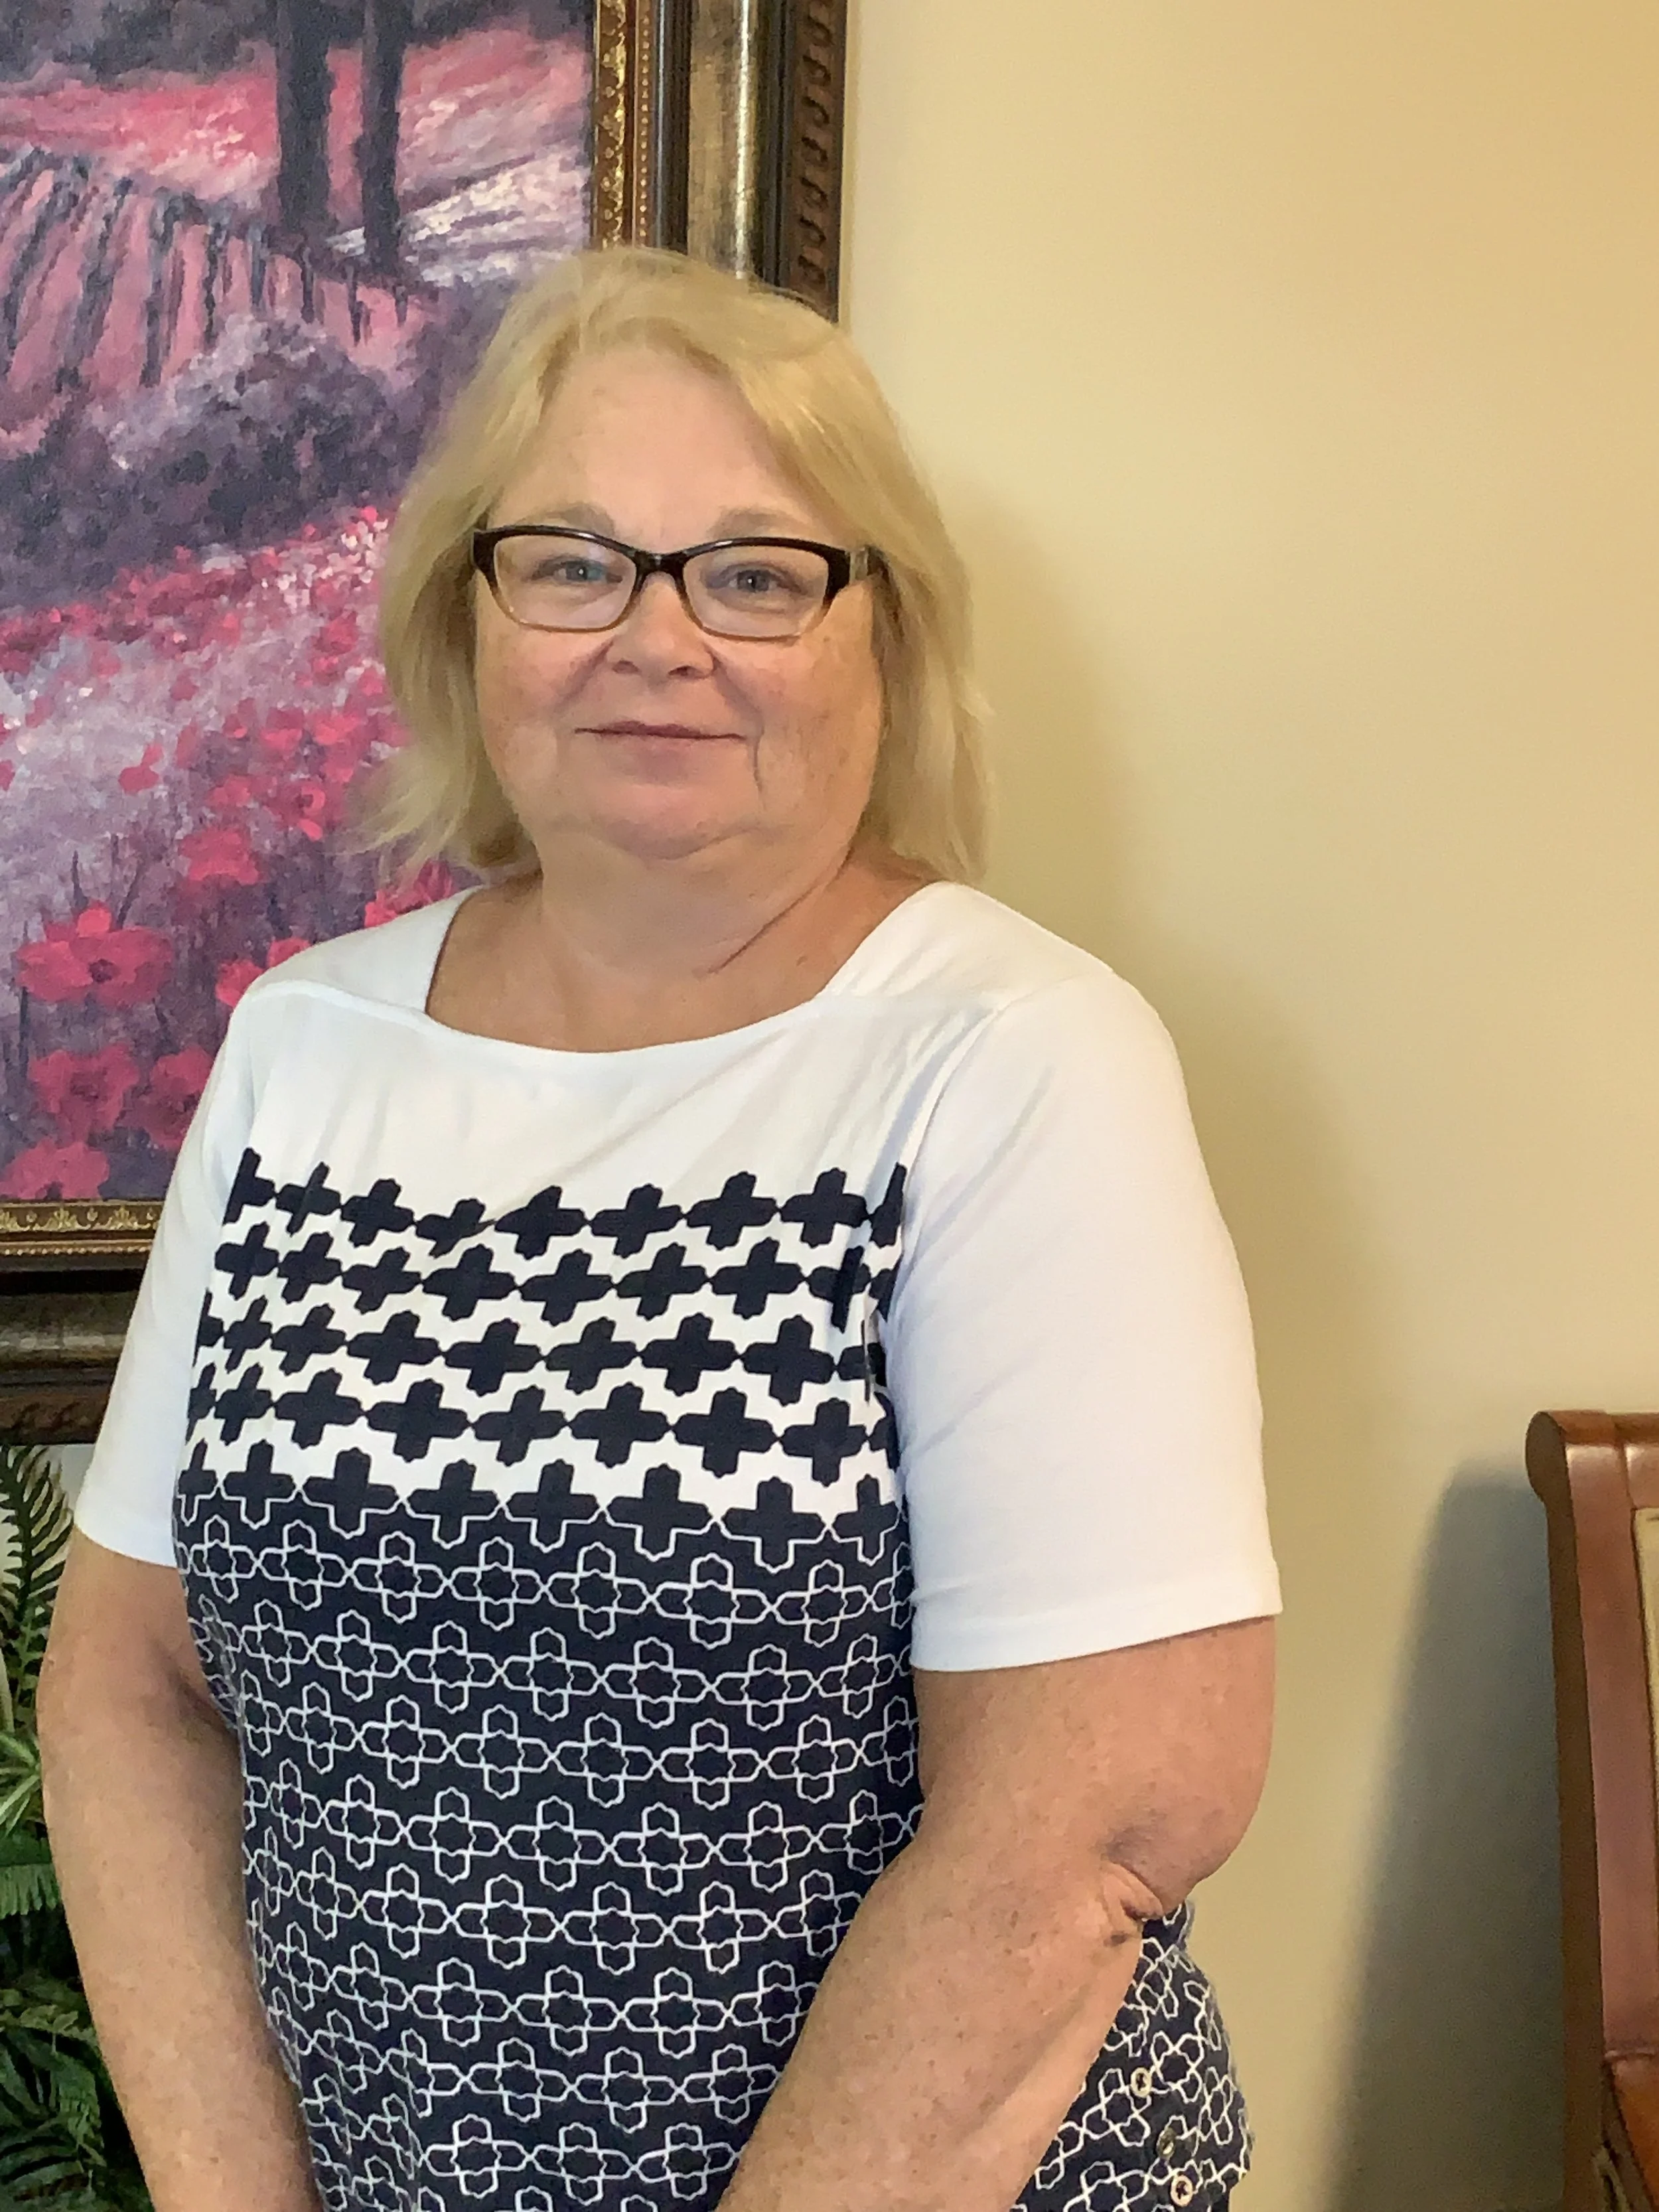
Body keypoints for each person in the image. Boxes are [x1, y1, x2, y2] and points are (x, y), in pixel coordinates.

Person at [38, 247, 1280, 2212]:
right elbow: (126, 1680)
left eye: (757, 571)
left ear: (884, 635)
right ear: (471, 616)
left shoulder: (1009, 1062)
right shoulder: (306, 1043)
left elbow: (1088, 1827)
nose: (658, 636)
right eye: (573, 561)